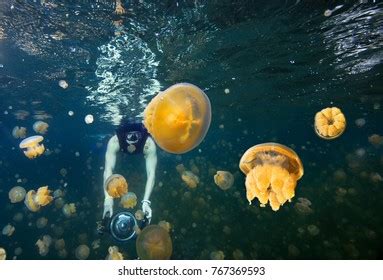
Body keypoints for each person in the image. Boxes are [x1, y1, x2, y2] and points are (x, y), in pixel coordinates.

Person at [102, 120, 157, 223]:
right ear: (123, 135)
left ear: (142, 135)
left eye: (136, 136)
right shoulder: (115, 141)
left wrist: (146, 202)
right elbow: (108, 170)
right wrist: (108, 199)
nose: (133, 139)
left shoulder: (148, 143)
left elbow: (151, 174)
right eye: (130, 136)